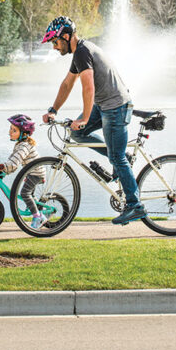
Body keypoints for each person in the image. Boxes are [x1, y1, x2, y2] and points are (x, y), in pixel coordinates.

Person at [40, 16, 146, 225]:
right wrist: (53, 109)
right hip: (104, 105)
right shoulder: (79, 52)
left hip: (115, 107)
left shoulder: (82, 52)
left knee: (116, 157)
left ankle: (135, 205)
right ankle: (121, 156)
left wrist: (85, 117)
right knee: (77, 133)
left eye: (55, 41)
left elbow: (88, 87)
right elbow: (67, 84)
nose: (54, 47)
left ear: (66, 36)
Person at [0, 114, 47, 229]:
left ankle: (38, 217)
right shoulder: (21, 144)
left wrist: (5, 167)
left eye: (14, 130)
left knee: (25, 193)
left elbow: (15, 163)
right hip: (32, 172)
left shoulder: (24, 146)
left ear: (23, 133)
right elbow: (12, 158)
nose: (10, 132)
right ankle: (40, 212)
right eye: (10, 129)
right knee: (29, 194)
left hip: (36, 174)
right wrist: (4, 168)